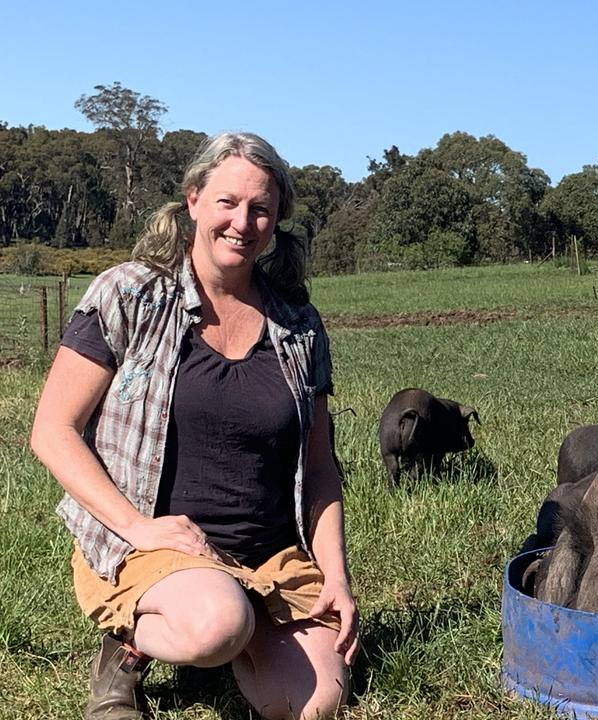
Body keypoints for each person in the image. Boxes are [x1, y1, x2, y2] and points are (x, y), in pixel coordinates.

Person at [29, 131, 358, 720]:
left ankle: (238, 623)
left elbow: (321, 466)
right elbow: (52, 431)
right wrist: (138, 527)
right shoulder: (129, 294)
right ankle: (128, 647)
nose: (243, 221)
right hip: (149, 544)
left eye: (261, 208)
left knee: (313, 705)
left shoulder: (298, 326)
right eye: (228, 202)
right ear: (194, 201)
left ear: (277, 218)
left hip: (268, 554)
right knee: (215, 625)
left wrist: (335, 573)